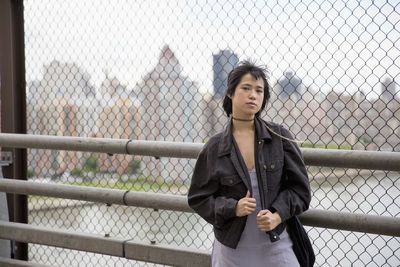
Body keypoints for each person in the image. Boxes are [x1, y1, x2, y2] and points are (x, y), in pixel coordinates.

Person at [188, 60, 312, 267]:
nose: (253, 95)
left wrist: (278, 214)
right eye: (246, 88)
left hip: (276, 244)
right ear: (230, 93)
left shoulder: (279, 137)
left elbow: (301, 191)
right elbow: (198, 198)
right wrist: (232, 208)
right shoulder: (215, 147)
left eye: (259, 90)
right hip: (231, 249)